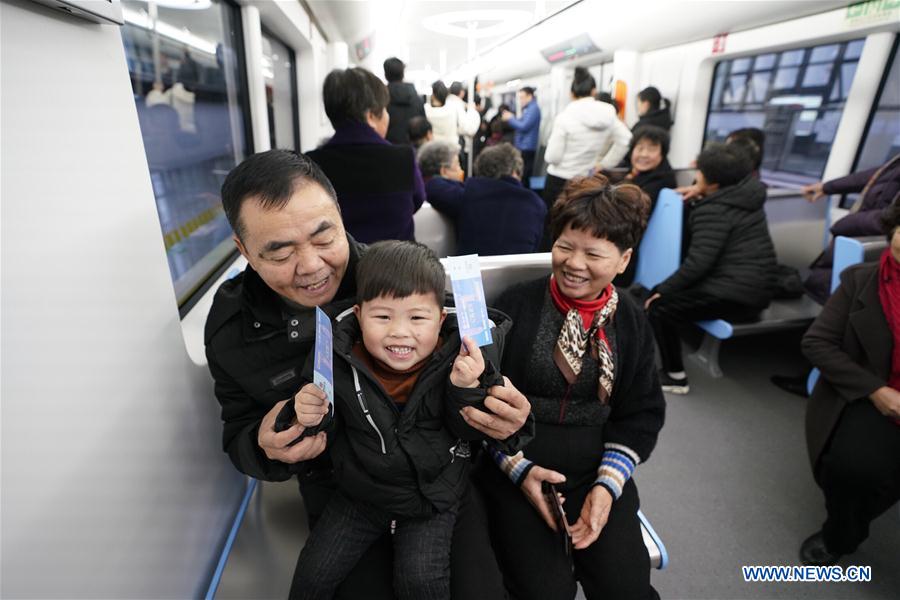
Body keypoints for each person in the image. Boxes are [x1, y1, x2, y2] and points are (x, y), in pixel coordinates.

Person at [204, 149, 534, 600]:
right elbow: (239, 434)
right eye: (279, 252)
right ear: (244, 251)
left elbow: (482, 395)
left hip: (438, 476)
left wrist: (508, 431)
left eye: (324, 238)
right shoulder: (234, 332)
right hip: (337, 485)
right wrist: (266, 445)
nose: (312, 266)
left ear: (341, 217)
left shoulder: (397, 279)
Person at [288, 240, 514, 599]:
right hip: (361, 491)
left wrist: (464, 388)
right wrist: (308, 413)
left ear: (440, 321)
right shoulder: (335, 354)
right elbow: (326, 425)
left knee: (420, 581)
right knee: (312, 575)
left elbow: (469, 431)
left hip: (431, 496)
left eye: (417, 317)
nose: (399, 332)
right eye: (382, 317)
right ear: (360, 316)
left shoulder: (462, 358)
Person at [475, 174, 665, 600]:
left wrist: (607, 486)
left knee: (626, 587)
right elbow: (478, 400)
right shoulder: (513, 306)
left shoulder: (631, 320)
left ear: (623, 259)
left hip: (594, 469)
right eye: (564, 246)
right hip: (513, 464)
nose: (574, 263)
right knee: (544, 590)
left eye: (594, 253)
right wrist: (518, 469)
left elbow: (641, 414)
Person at [799, 201, 900, 566]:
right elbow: (816, 343)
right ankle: (841, 534)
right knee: (849, 469)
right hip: (876, 391)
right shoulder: (861, 281)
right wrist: (877, 391)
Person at [645, 142, 777, 394]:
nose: (697, 176)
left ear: (714, 184)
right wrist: (701, 192)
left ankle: (675, 377)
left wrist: (661, 289)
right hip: (757, 288)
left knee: (659, 307)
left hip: (737, 295)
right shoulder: (747, 196)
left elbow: (698, 264)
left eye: (701, 173)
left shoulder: (714, 211)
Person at [306, 67, 425, 244]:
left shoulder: (311, 164)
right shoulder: (403, 157)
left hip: (343, 266)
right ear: (370, 116)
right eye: (385, 109)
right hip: (399, 263)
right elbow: (417, 200)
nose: (387, 115)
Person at [542, 67, 632, 249]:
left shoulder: (565, 117)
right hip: (585, 181)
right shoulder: (608, 114)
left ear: (571, 93)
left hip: (558, 182)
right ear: (593, 91)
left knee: (552, 229)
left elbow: (552, 156)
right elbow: (625, 139)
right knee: (578, 229)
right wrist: (604, 163)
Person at [802, 153, 900, 304]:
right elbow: (880, 176)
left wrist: (845, 224)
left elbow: (891, 217)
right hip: (860, 241)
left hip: (876, 249)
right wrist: (827, 187)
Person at [426, 143, 547, 256]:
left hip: (473, 275)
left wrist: (468, 185)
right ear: (515, 172)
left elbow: (432, 186)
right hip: (519, 275)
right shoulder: (536, 204)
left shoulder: (470, 194)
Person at [610, 125, 677, 287]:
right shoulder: (643, 176)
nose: (644, 154)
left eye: (652, 149)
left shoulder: (660, 183)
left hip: (628, 254)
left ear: (663, 153)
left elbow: (623, 214)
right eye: (639, 148)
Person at [502, 87, 541, 188]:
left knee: (524, 175)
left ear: (530, 96)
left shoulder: (533, 109)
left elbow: (524, 126)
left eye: (522, 97)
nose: (520, 100)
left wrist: (511, 118)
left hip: (526, 147)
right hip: (523, 146)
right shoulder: (528, 108)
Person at [383, 57, 426, 145]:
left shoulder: (381, 100)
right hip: (413, 151)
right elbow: (423, 126)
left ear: (385, 75)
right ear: (403, 74)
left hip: (389, 150)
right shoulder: (418, 99)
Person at [418, 140, 465, 207]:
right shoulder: (456, 200)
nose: (461, 170)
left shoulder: (418, 194)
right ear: (443, 171)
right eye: (458, 164)